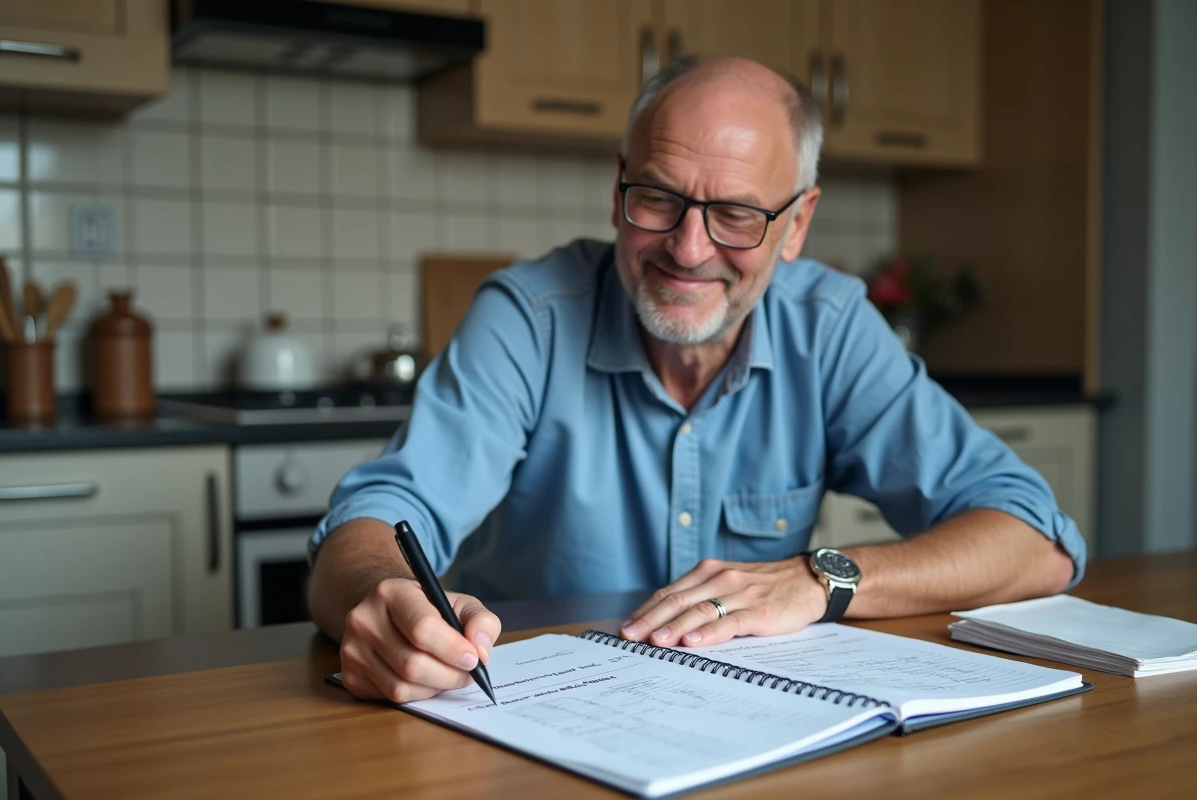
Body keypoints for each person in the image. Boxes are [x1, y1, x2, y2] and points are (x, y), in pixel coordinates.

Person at [307, 56, 1086, 704]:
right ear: (619, 189)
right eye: (658, 197)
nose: (687, 248)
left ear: (798, 224)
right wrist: (381, 599)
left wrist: (821, 581)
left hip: (759, 728)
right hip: (536, 723)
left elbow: (1036, 540)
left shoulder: (831, 326)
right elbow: (374, 523)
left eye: (738, 215)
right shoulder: (529, 317)